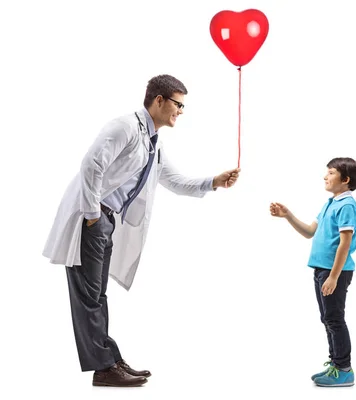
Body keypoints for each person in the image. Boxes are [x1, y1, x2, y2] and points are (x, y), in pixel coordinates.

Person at [42, 74, 240, 387]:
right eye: (178, 104)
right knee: (88, 296)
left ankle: (109, 358)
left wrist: (213, 182)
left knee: (97, 294)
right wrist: (93, 217)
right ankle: (104, 368)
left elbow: (174, 181)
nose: (180, 111)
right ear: (158, 100)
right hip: (89, 219)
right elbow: (92, 164)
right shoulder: (125, 127)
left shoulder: (152, 143)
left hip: (104, 221)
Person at [269, 157, 356, 387]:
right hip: (322, 270)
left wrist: (333, 276)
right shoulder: (331, 203)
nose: (325, 176)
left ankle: (344, 369)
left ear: (346, 179)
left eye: (330, 173)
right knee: (328, 318)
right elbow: (310, 231)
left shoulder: (347, 205)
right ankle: (336, 364)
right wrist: (287, 215)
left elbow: (344, 244)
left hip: (334, 272)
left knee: (334, 319)